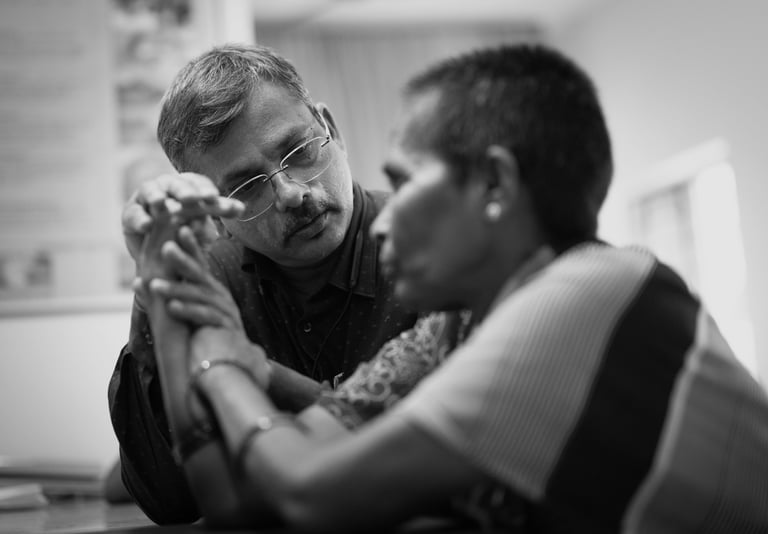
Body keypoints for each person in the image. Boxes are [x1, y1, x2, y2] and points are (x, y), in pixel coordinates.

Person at [142, 43, 768, 532]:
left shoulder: (586, 293)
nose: (382, 215)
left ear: (494, 186)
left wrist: (224, 366)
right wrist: (166, 293)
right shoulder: (452, 332)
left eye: (405, 181)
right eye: (247, 187)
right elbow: (235, 502)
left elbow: (305, 491)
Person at [107, 43, 421, 524]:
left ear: (330, 129)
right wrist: (154, 284)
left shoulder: (427, 249)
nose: (293, 193)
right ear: (215, 211)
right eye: (246, 184)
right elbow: (170, 500)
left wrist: (254, 372)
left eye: (297, 151)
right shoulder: (204, 278)